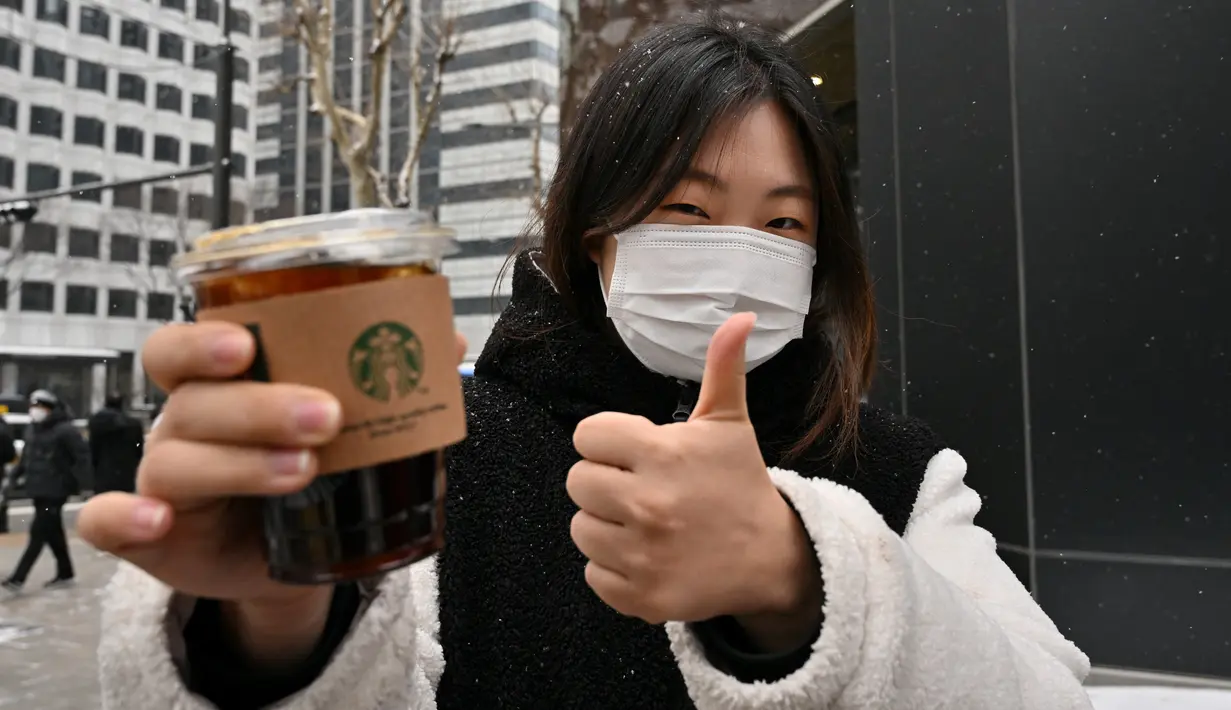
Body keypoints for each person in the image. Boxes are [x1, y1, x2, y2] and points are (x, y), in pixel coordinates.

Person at [79, 16, 1093, 710]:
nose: (736, 251)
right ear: (594, 231)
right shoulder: (437, 453)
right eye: (687, 209)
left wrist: (804, 580)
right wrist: (274, 624)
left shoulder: (900, 472)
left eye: (783, 221)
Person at [2, 390, 90, 593]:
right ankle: (66, 572)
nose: (35, 411)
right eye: (33, 407)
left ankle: (18, 578)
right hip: (38, 488)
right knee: (53, 533)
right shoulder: (33, 430)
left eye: (39, 407)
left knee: (38, 533)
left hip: (56, 489)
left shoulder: (65, 430)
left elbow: (82, 457)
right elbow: (26, 459)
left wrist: (84, 485)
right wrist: (13, 478)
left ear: (50, 409)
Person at [88, 393, 145, 495]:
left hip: (102, 471)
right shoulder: (133, 424)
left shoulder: (96, 423)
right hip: (126, 471)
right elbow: (138, 447)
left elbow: (93, 448)